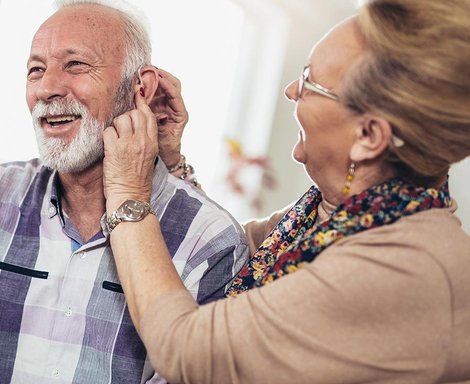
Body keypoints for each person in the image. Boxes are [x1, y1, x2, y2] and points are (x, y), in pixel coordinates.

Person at [0, 1, 249, 383]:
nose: (48, 88)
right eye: (36, 70)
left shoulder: (210, 240)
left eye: (76, 64)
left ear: (140, 90)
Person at [102, 0, 470, 382]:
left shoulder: (401, 270)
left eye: (311, 82)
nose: (292, 90)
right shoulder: (333, 218)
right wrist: (172, 163)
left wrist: (129, 195)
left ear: (368, 136)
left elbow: (189, 350)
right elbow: (226, 254)